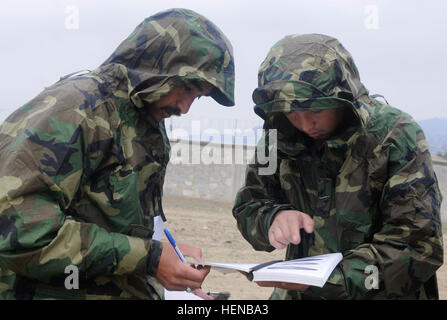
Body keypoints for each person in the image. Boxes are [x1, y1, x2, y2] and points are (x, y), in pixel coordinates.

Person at [0, 8, 234, 299]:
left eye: (196, 97)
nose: (184, 108)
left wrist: (165, 254)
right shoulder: (75, 111)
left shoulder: (146, 118)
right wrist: (148, 258)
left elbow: (114, 225)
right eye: (185, 88)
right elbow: (22, 235)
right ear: (153, 66)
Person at [232, 34, 443, 299]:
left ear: (343, 98)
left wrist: (332, 280)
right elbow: (249, 204)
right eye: (292, 112)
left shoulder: (396, 136)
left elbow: (417, 245)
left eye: (316, 110)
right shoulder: (275, 139)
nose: (306, 124)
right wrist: (272, 218)